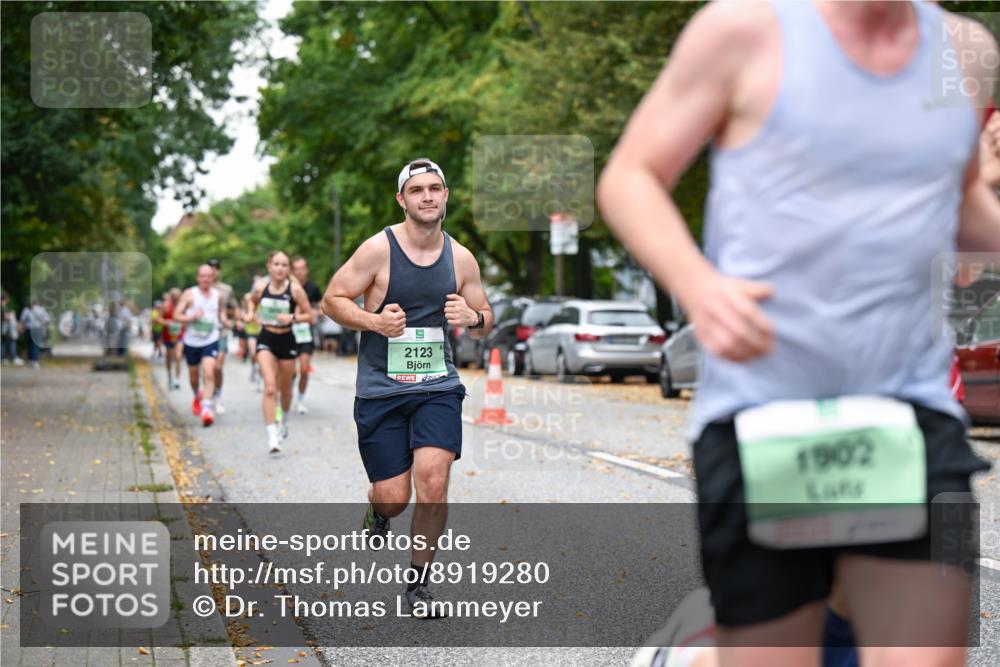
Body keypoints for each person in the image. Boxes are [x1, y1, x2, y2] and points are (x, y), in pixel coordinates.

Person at [599, 1, 998, 664]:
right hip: (765, 414)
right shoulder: (744, 31)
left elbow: (953, 200)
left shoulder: (966, 51)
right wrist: (700, 286)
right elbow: (629, 176)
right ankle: (696, 654)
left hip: (913, 410)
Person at [323, 158, 493, 616]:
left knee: (433, 483)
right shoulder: (377, 250)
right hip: (381, 390)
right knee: (395, 498)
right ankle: (377, 508)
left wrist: (473, 319)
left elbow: (484, 318)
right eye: (417, 190)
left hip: (438, 385)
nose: (427, 197)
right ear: (402, 199)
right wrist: (374, 322)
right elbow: (332, 300)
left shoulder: (461, 258)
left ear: (446, 195)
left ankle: (417, 586)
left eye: (435, 188)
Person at [246, 251, 313, 453]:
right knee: (269, 387)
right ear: (269, 266)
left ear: (288, 269)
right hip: (266, 338)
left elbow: (309, 314)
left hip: (287, 339)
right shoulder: (261, 287)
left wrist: (292, 317)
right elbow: (251, 300)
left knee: (285, 389)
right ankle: (272, 437)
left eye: (284, 265)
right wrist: (250, 313)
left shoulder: (295, 290)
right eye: (276, 264)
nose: (280, 268)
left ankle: (283, 420)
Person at [175, 265, 228, 426]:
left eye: (208, 276)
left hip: (210, 339)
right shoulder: (190, 294)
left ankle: (206, 408)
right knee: (193, 377)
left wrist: (226, 321)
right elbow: (177, 314)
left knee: (209, 372)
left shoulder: (218, 295)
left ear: (213, 278)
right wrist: (191, 317)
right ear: (198, 278)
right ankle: (197, 394)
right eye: (202, 276)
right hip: (192, 341)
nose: (205, 279)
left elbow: (221, 314)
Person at [291, 256, 323, 414]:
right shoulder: (287, 288)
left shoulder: (313, 288)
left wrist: (316, 313)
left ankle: (301, 400)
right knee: (290, 371)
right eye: (296, 269)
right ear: (292, 271)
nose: (299, 272)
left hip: (306, 332)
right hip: (288, 333)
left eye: (302, 269)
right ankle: (285, 394)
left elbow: (322, 308)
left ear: (306, 270)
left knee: (304, 369)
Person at [207, 258, 236, 415]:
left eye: (216, 268)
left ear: (220, 271)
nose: (213, 270)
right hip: (203, 334)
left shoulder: (226, 289)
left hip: (221, 332)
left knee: (218, 366)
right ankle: (207, 397)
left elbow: (234, 309)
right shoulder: (200, 288)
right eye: (210, 267)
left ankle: (217, 396)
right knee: (208, 368)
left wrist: (232, 320)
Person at [160, 289, 184, 390]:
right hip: (168, 336)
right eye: (174, 296)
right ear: (171, 296)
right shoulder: (165, 305)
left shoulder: (183, 305)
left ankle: (177, 379)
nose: (176, 298)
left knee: (178, 356)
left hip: (180, 335)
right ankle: (170, 377)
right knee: (169, 358)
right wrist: (167, 322)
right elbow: (158, 318)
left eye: (178, 296)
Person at [20, 300, 49, 368]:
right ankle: (34, 361)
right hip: (37, 329)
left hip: (28, 329)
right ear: (37, 303)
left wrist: (21, 328)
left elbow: (22, 320)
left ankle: (30, 360)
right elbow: (46, 319)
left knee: (29, 344)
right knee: (35, 345)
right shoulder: (41, 309)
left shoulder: (26, 309)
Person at [1, 292, 21, 365]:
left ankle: (4, 358)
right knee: (12, 342)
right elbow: (4, 317)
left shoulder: (4, 307)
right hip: (5, 328)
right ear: (6, 299)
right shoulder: (2, 307)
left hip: (4, 328)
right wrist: (11, 314)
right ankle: (13, 358)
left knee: (4, 343)